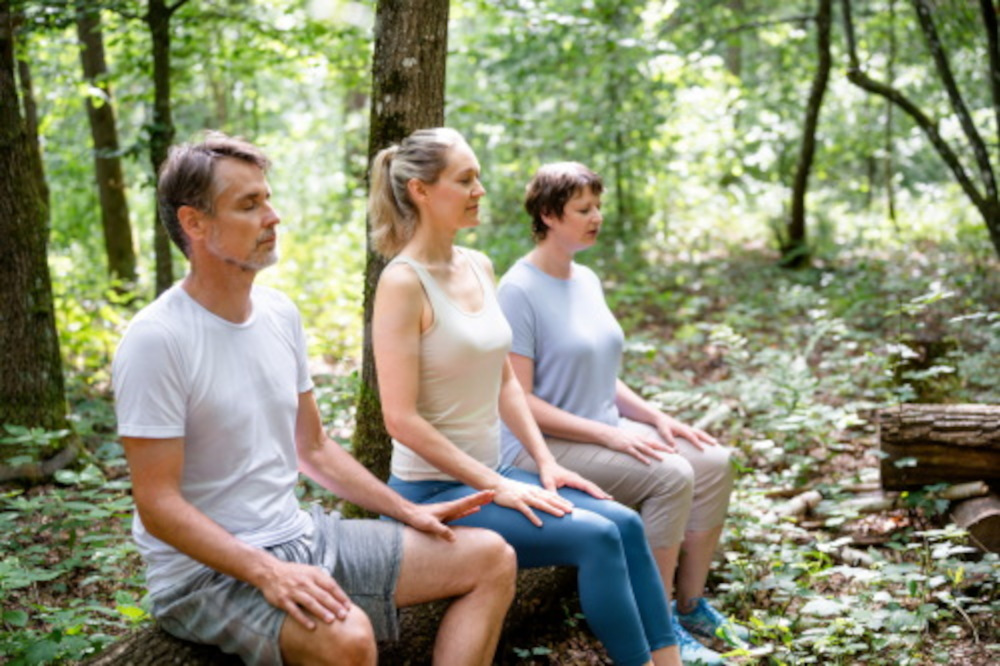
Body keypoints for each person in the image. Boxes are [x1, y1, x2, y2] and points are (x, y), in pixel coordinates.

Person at [111, 132, 517, 666]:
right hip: (204, 575)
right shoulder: (156, 339)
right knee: (347, 639)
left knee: (492, 558)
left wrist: (405, 512)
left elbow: (315, 447)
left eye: (268, 198)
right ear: (194, 223)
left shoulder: (279, 313)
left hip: (303, 536)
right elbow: (157, 504)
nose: (273, 216)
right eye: (249, 205)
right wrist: (267, 571)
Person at [368, 127, 681, 666]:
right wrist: (495, 485)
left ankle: (669, 660)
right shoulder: (402, 283)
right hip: (437, 493)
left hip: (497, 477)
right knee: (596, 539)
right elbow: (400, 419)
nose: (480, 190)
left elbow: (505, 380)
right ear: (420, 190)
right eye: (465, 179)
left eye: (478, 177)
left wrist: (544, 464)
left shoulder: (478, 264)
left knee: (624, 523)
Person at [496, 161, 749, 665]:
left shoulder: (585, 278)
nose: (596, 217)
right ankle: (662, 628)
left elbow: (599, 373)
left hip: (602, 426)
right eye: (582, 209)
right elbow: (519, 398)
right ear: (548, 215)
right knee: (671, 475)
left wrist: (657, 417)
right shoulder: (517, 289)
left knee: (714, 461)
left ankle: (691, 604)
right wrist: (611, 438)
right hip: (539, 447)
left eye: (597, 207)